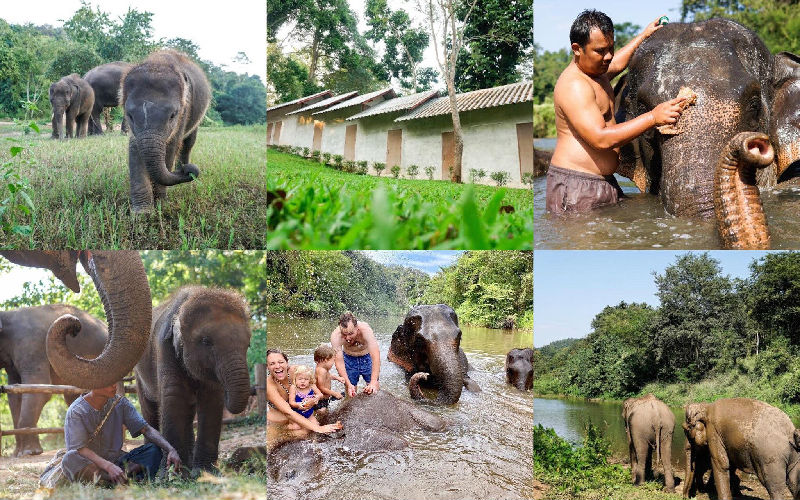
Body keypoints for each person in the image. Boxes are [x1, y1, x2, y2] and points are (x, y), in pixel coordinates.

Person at [546, 9, 686, 213]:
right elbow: (600, 139)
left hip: (601, 181)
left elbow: (619, 61)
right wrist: (653, 117)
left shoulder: (597, 71)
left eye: (611, 48)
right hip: (576, 186)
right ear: (577, 49)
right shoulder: (574, 85)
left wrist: (645, 35)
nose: (608, 56)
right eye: (600, 51)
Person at [61, 382, 182, 485]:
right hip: (91, 464)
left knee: (153, 450)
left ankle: (113, 479)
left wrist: (170, 449)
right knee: (70, 458)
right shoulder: (76, 411)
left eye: (115, 380)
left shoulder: (120, 403)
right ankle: (116, 479)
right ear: (95, 384)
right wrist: (108, 467)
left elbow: (147, 429)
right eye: (109, 382)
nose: (115, 385)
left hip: (118, 461)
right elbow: (81, 450)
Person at [266, 349, 342, 437]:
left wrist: (315, 399)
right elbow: (288, 412)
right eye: (272, 364)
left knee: (320, 414)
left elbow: (315, 381)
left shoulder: (297, 371)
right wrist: (319, 428)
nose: (277, 366)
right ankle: (281, 434)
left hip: (299, 410)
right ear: (267, 367)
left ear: (287, 363)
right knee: (304, 431)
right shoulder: (269, 385)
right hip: (282, 417)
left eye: (281, 362)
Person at [330, 312, 380, 397]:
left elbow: (375, 356)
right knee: (350, 393)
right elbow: (339, 362)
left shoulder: (366, 330)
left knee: (374, 390)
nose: (348, 338)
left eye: (350, 333)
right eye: (344, 334)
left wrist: (373, 381)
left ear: (357, 328)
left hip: (367, 358)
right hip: (349, 359)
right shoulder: (336, 336)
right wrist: (348, 384)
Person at [313, 344, 346, 418]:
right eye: (333, 361)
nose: (333, 363)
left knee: (343, 395)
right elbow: (321, 387)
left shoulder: (323, 369)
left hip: (326, 397)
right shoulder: (321, 371)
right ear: (325, 360)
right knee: (322, 412)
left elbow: (328, 377)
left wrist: (337, 378)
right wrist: (334, 393)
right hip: (321, 399)